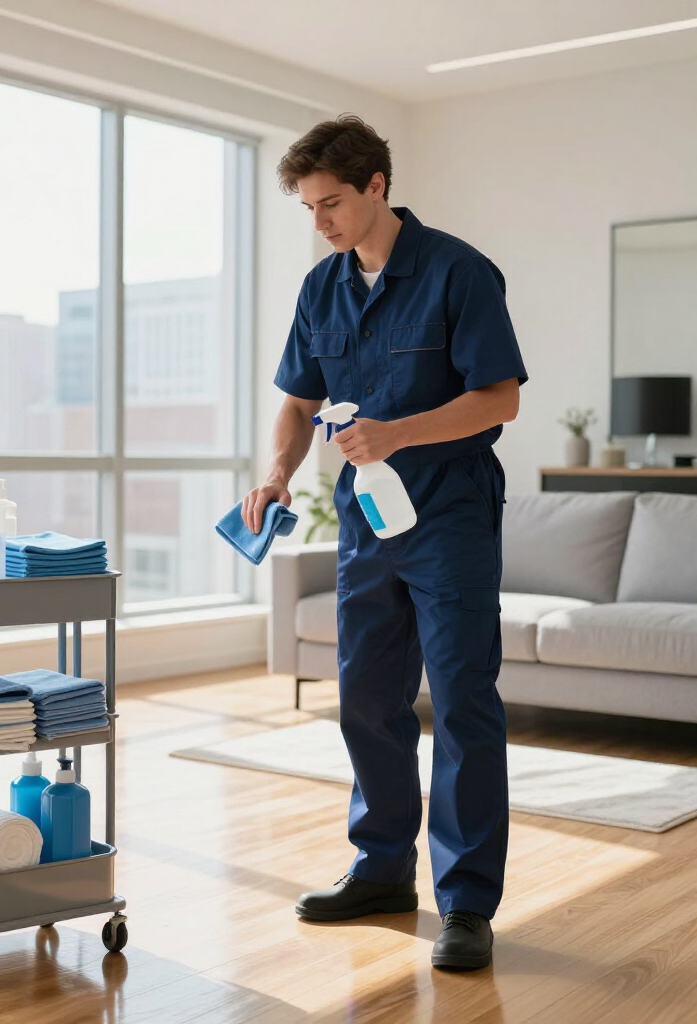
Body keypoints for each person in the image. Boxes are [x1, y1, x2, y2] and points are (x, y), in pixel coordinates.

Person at [243, 114, 527, 971]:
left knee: (463, 704)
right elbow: (298, 400)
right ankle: (380, 870)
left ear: (376, 187)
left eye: (332, 202)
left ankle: (467, 902)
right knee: (366, 696)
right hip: (365, 520)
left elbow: (499, 399)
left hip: (451, 516)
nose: (321, 221)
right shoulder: (320, 287)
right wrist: (277, 472)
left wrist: (397, 433)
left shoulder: (459, 273)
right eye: (308, 208)